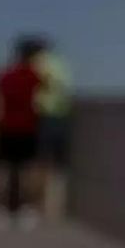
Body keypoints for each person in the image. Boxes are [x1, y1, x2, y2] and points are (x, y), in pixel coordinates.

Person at [0, 36, 43, 227]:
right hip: (27, 127)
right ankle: (25, 208)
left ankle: (3, 208)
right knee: (26, 170)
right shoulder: (33, 75)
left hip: (7, 126)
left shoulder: (7, 76)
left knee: (6, 169)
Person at [32, 37, 71, 219]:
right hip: (62, 114)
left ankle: (42, 205)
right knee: (59, 164)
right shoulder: (61, 64)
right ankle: (57, 207)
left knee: (43, 161)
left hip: (45, 114)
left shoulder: (39, 63)